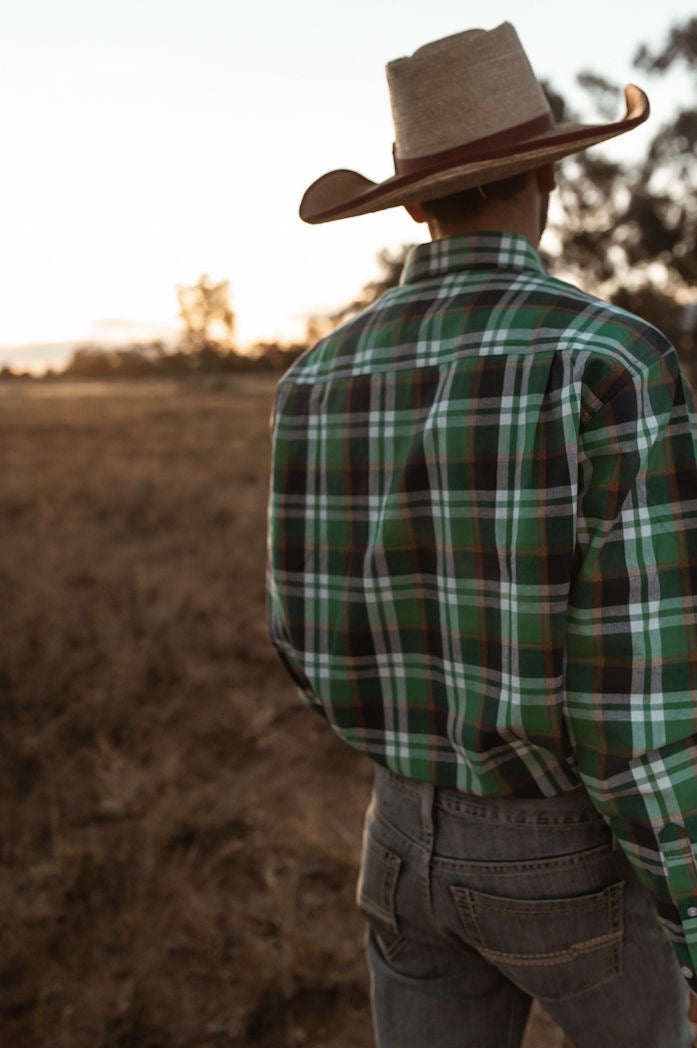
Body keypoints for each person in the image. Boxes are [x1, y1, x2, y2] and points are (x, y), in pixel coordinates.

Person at [266, 22, 697, 1047]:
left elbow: (299, 637)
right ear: (548, 176)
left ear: (409, 201)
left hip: (400, 834)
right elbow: (631, 706)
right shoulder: (611, 362)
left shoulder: (314, 380)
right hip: (570, 847)